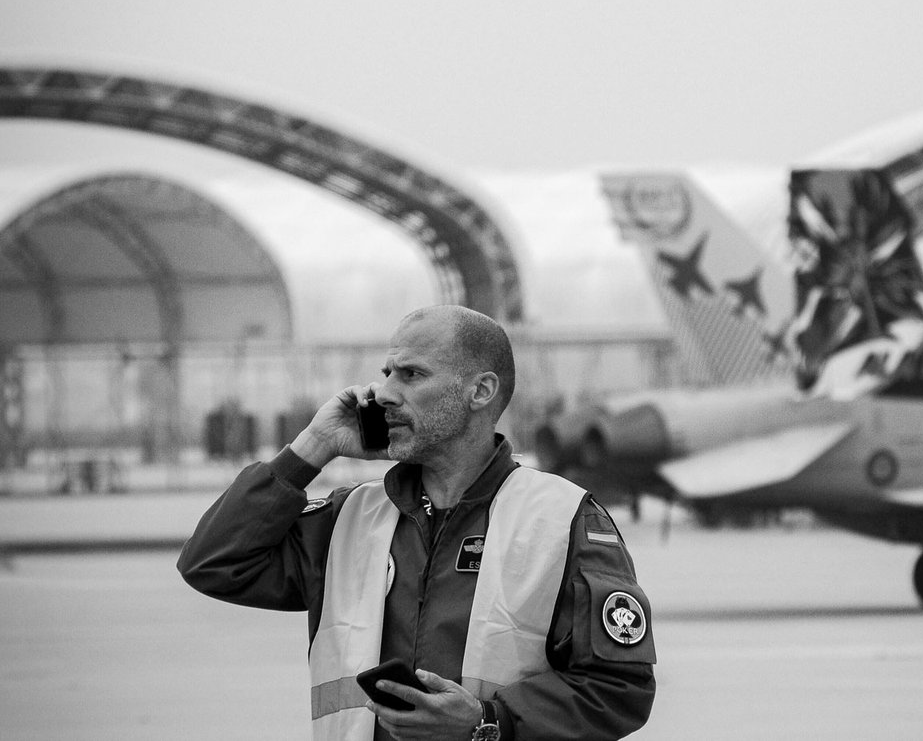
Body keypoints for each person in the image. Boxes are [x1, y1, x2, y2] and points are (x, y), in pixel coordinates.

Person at [178, 305, 656, 741]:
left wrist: (488, 723)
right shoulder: (349, 519)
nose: (384, 393)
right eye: (387, 373)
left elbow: (620, 689)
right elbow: (213, 563)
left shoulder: (563, 518)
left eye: (411, 374)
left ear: (480, 391)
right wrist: (311, 448)